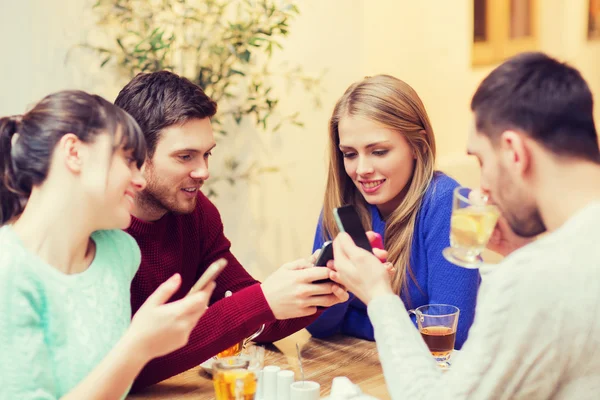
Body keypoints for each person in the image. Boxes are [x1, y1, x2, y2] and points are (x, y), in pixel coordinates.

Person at [328, 52, 600, 398]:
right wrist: (524, 250)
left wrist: (379, 296)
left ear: (515, 152)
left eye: (481, 160)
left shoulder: (532, 280)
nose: (481, 187)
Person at [114, 70, 349, 388]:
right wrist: (262, 301)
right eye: (185, 156)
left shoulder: (197, 215)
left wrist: (315, 286)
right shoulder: (100, 231)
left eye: (206, 154)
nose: (203, 171)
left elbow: (254, 316)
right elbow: (123, 365)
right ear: (136, 154)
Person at [0, 91, 216, 399]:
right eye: (128, 159)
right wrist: (137, 348)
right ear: (74, 153)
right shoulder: (9, 272)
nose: (140, 180)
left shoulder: (119, 253)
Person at [307, 75, 480, 348]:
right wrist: (343, 293)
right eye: (350, 154)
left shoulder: (452, 205)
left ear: (416, 146)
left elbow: (448, 335)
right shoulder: (342, 204)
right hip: (357, 371)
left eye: (378, 151)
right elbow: (318, 325)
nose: (361, 170)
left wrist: (357, 319)